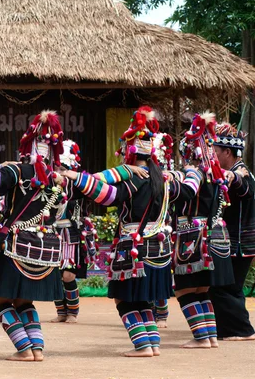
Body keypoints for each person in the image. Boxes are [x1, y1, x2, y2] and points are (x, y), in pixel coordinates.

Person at [0, 111, 141, 361]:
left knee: (0, 300)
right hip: (48, 251)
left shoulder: (18, 171)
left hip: (18, 247)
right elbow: (100, 185)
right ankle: (36, 349)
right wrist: (127, 169)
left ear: (28, 144)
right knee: (25, 302)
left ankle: (24, 348)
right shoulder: (64, 179)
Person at [62, 107, 202, 357]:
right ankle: (152, 344)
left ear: (129, 149)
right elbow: (190, 189)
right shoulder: (165, 180)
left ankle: (142, 345)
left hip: (134, 251)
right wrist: (194, 169)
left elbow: (107, 195)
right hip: (160, 252)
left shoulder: (132, 179)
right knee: (144, 301)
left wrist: (77, 177)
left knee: (124, 300)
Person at [172, 112, 234, 349]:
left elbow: (184, 193)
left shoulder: (192, 174)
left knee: (185, 290)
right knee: (201, 290)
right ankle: (209, 337)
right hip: (216, 235)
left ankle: (201, 337)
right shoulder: (216, 174)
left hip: (194, 237)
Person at [209, 122, 255, 341]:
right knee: (228, 286)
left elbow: (244, 187)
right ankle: (232, 329)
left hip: (240, 242)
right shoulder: (232, 171)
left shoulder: (242, 173)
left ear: (227, 152)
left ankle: (240, 330)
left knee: (225, 286)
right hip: (237, 241)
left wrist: (234, 177)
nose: (213, 156)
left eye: (216, 152)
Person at [50, 140, 97, 324]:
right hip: (54, 234)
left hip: (73, 234)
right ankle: (61, 311)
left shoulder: (79, 188)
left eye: (64, 168)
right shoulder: (51, 188)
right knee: (55, 275)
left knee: (68, 275)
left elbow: (91, 190)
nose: (60, 172)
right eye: (58, 168)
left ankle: (73, 312)